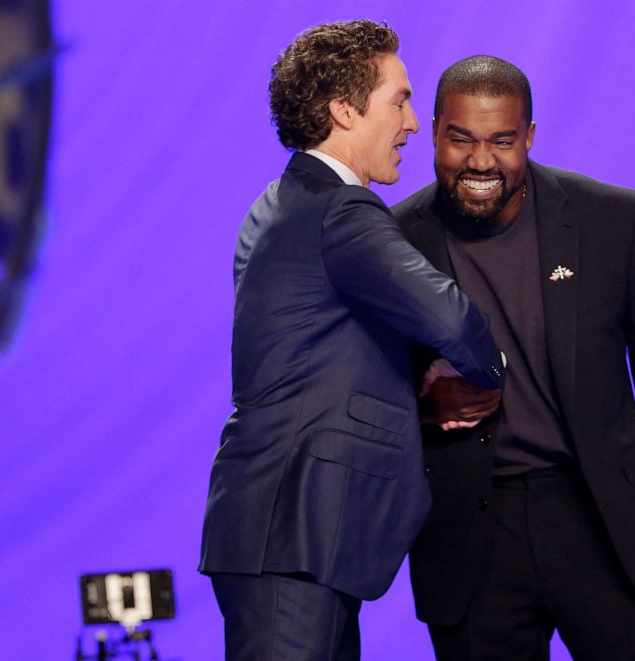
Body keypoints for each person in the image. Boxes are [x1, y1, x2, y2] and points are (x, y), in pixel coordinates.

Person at [392, 55, 635, 660]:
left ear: (529, 135)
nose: (480, 161)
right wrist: (423, 409)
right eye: (461, 140)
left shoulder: (616, 220)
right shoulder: (392, 239)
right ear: (433, 131)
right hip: (471, 535)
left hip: (605, 526)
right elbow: (361, 389)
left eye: (502, 140)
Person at [198, 26, 505, 661]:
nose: (414, 124)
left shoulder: (276, 205)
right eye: (399, 100)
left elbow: (318, 356)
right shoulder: (341, 210)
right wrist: (486, 369)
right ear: (345, 110)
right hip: (295, 532)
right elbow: (455, 323)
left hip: (286, 533)